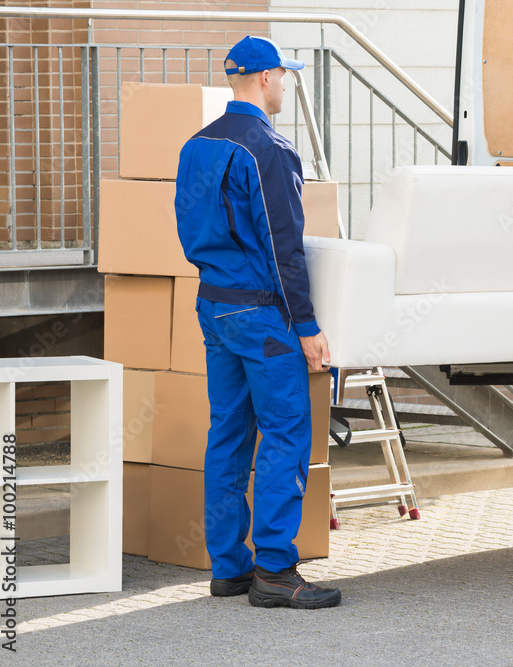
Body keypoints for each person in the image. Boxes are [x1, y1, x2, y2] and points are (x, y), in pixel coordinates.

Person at [175, 35, 341, 609]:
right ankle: (274, 568)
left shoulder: (195, 146)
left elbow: (190, 230)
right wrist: (308, 325)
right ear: (267, 77)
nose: (288, 84)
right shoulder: (266, 147)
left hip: (214, 304)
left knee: (228, 432)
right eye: (285, 75)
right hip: (263, 314)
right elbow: (283, 246)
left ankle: (229, 567)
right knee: (287, 432)